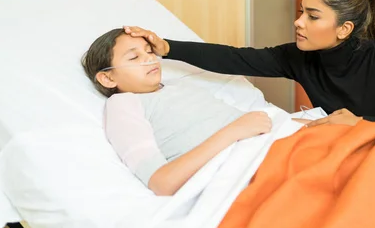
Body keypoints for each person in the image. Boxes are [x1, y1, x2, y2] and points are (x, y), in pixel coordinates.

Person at [124, 0, 375, 138]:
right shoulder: (300, 57)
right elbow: (237, 58)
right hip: (351, 153)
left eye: (312, 16)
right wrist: (168, 48)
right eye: (301, 12)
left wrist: (360, 124)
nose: (298, 22)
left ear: (344, 28)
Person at [81, 28, 277, 196]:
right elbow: (162, 182)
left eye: (149, 51)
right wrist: (233, 132)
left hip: (270, 145)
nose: (149, 58)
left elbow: (248, 123)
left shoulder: (181, 87)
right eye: (134, 57)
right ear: (107, 79)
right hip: (242, 169)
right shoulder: (124, 103)